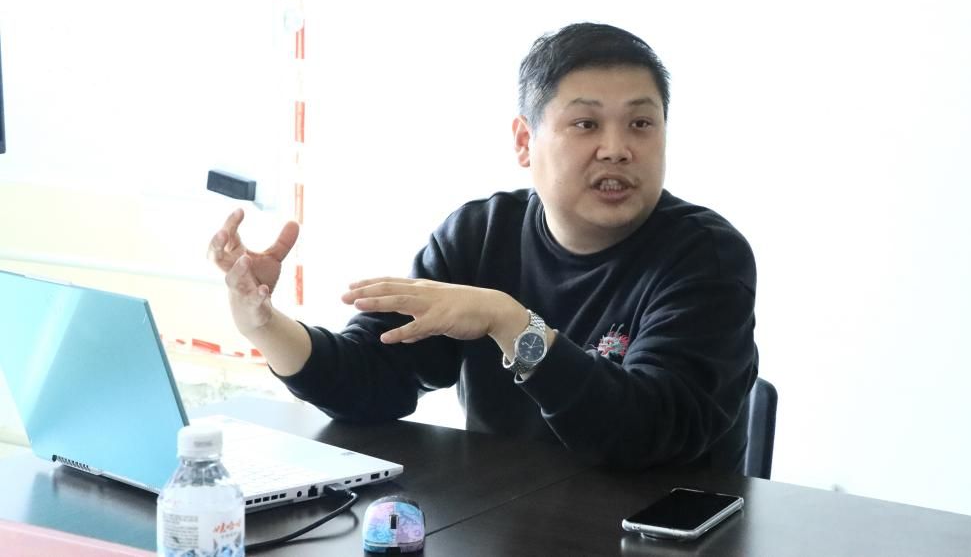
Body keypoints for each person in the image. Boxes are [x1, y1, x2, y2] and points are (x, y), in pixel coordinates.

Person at [208, 23, 758, 472]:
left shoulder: (707, 258)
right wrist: (264, 324)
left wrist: (511, 324)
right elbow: (372, 380)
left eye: (641, 123)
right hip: (506, 521)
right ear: (524, 142)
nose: (616, 149)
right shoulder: (481, 234)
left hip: (657, 535)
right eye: (586, 123)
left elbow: (644, 432)